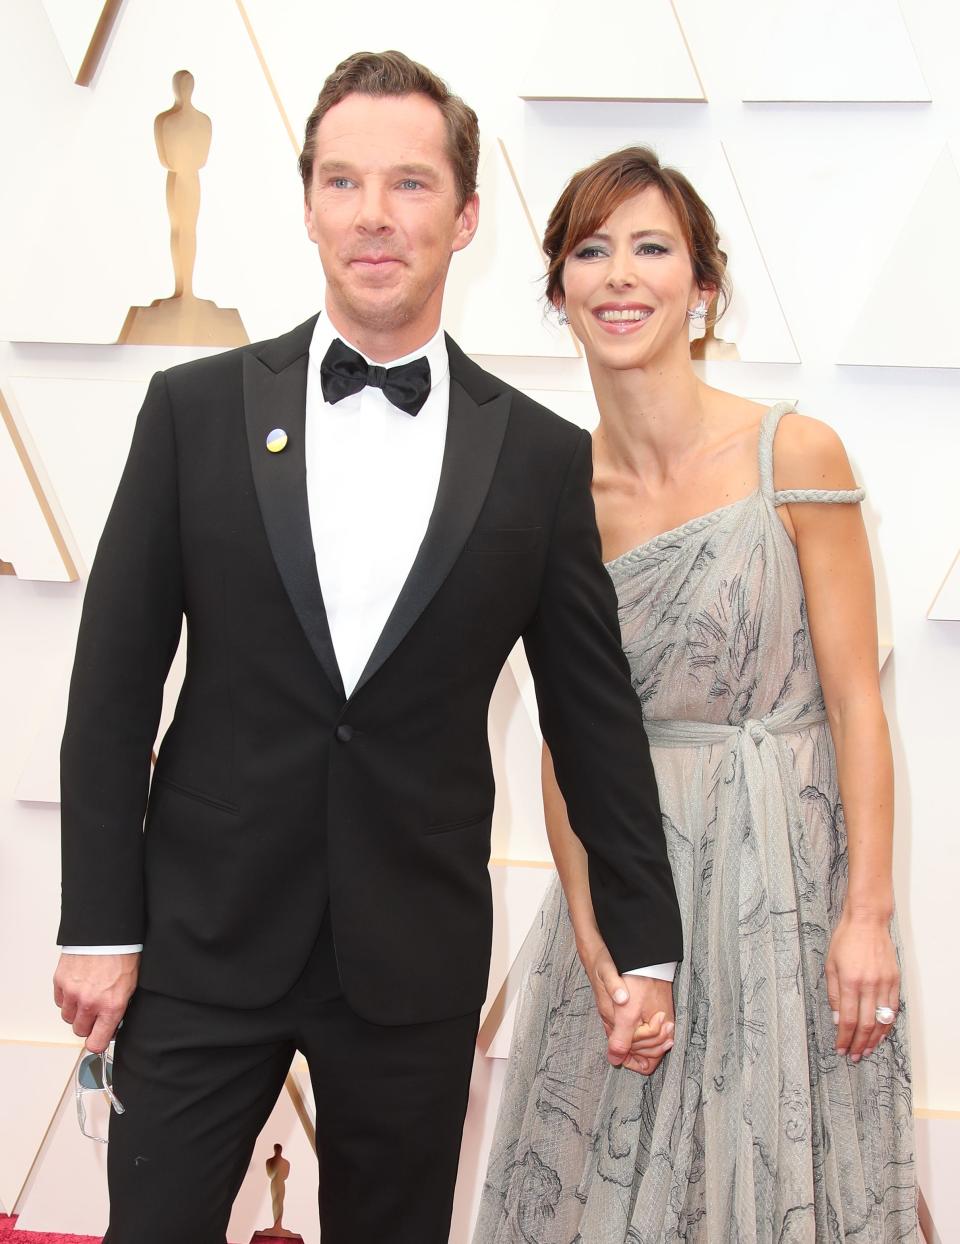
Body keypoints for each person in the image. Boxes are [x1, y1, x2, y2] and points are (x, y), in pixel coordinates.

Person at [52, 55, 683, 1244]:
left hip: (412, 952)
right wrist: (99, 921)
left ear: (466, 214)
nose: (374, 215)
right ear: (306, 207)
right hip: (201, 935)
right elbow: (112, 686)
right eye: (343, 181)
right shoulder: (191, 412)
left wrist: (644, 941)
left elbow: (593, 723)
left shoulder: (540, 457)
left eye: (407, 182)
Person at [476, 147, 917, 1243]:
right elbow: (563, 744)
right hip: (636, 889)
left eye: (651, 247)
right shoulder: (552, 492)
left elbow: (860, 703)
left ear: (703, 287)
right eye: (590, 248)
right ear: (559, 288)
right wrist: (595, 946)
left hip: (789, 886)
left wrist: (868, 912)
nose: (620, 274)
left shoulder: (793, 453)